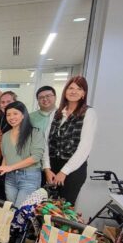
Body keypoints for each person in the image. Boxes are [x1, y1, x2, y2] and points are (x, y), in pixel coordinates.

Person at [0, 101, 44, 243]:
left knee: (20, 217)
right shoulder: (6, 135)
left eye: (15, 113)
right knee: (13, 213)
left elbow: (35, 157)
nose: (11, 117)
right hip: (10, 179)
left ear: (23, 114)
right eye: (8, 114)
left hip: (29, 178)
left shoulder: (34, 132)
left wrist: (10, 167)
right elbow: (6, 156)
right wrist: (3, 168)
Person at [43, 76, 97, 205]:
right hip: (52, 167)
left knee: (63, 210)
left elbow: (84, 148)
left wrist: (64, 172)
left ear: (84, 93)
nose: (74, 91)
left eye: (79, 89)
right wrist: (46, 168)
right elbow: (45, 142)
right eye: (71, 88)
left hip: (73, 170)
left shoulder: (89, 113)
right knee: (45, 208)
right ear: (65, 91)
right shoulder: (56, 113)